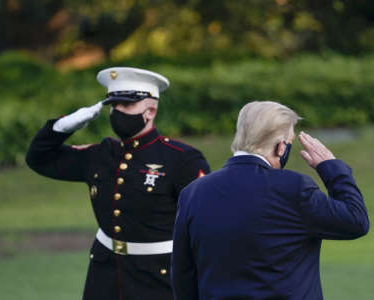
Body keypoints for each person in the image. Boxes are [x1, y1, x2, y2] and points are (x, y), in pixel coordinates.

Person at [26, 67, 210, 300]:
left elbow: (206, 221)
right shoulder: (100, 155)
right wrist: (62, 127)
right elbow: (39, 159)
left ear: (150, 111)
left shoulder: (181, 159)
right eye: (114, 106)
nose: (117, 112)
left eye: (127, 105)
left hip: (157, 277)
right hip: (105, 274)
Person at [171, 101, 369, 300]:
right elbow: (355, 221)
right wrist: (331, 168)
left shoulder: (193, 193)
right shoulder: (294, 189)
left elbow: (183, 274)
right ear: (281, 147)